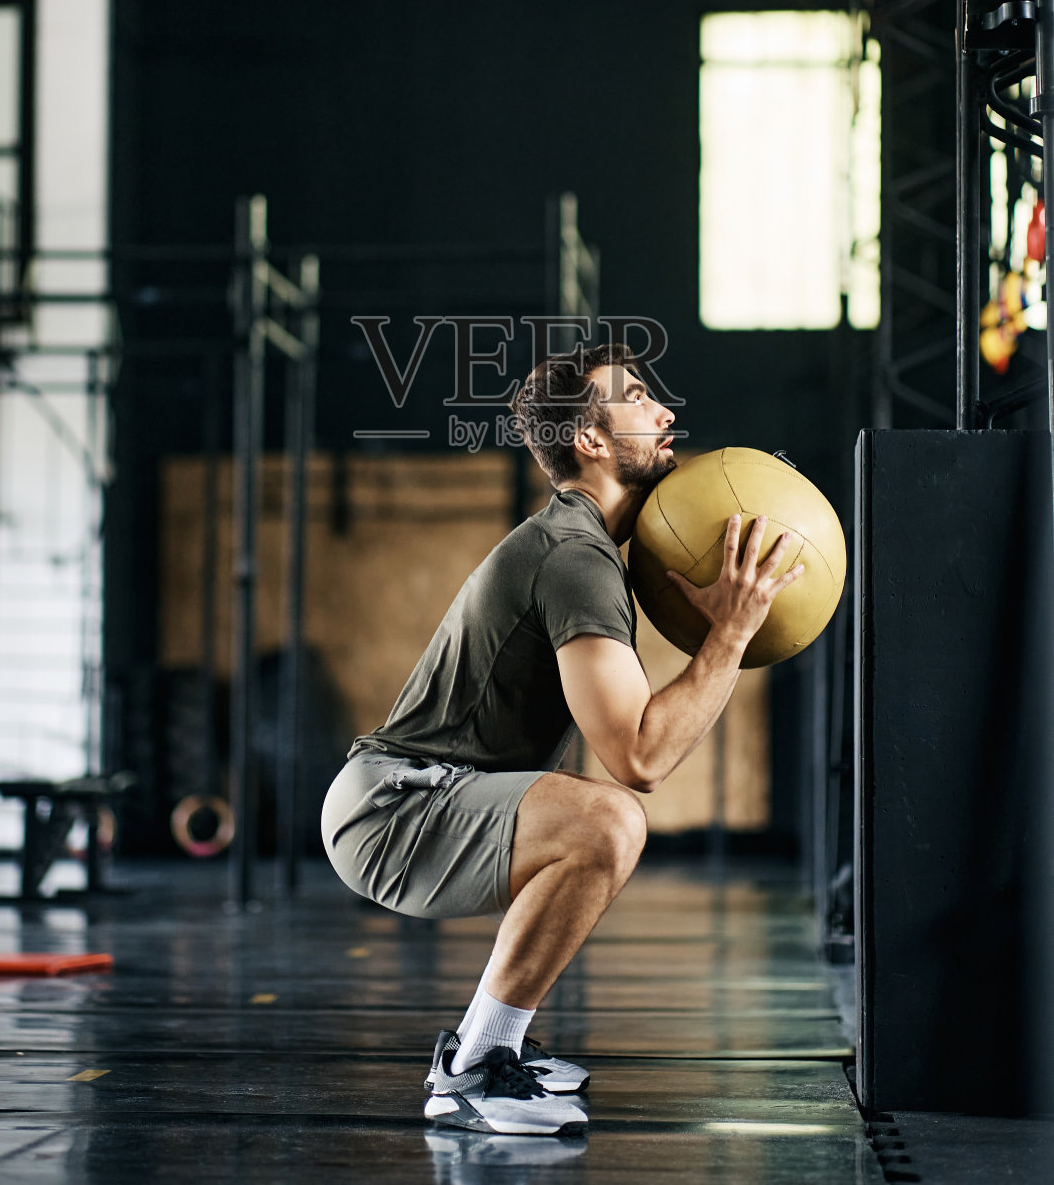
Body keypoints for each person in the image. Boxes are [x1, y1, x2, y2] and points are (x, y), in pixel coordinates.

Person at [322, 343, 804, 1136]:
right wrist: (729, 634)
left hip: (408, 797)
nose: (664, 413)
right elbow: (640, 758)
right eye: (638, 398)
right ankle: (475, 1071)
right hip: (392, 810)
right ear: (588, 440)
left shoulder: (586, 551)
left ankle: (484, 1052)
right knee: (607, 821)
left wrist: (727, 634)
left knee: (600, 822)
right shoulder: (573, 557)